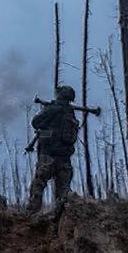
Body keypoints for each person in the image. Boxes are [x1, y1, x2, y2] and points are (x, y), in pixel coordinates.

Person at [27, 85, 79, 213]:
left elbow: (35, 122)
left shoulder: (52, 109)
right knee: (63, 189)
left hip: (48, 154)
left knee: (39, 183)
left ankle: (32, 215)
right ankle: (62, 216)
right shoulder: (70, 112)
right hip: (64, 156)